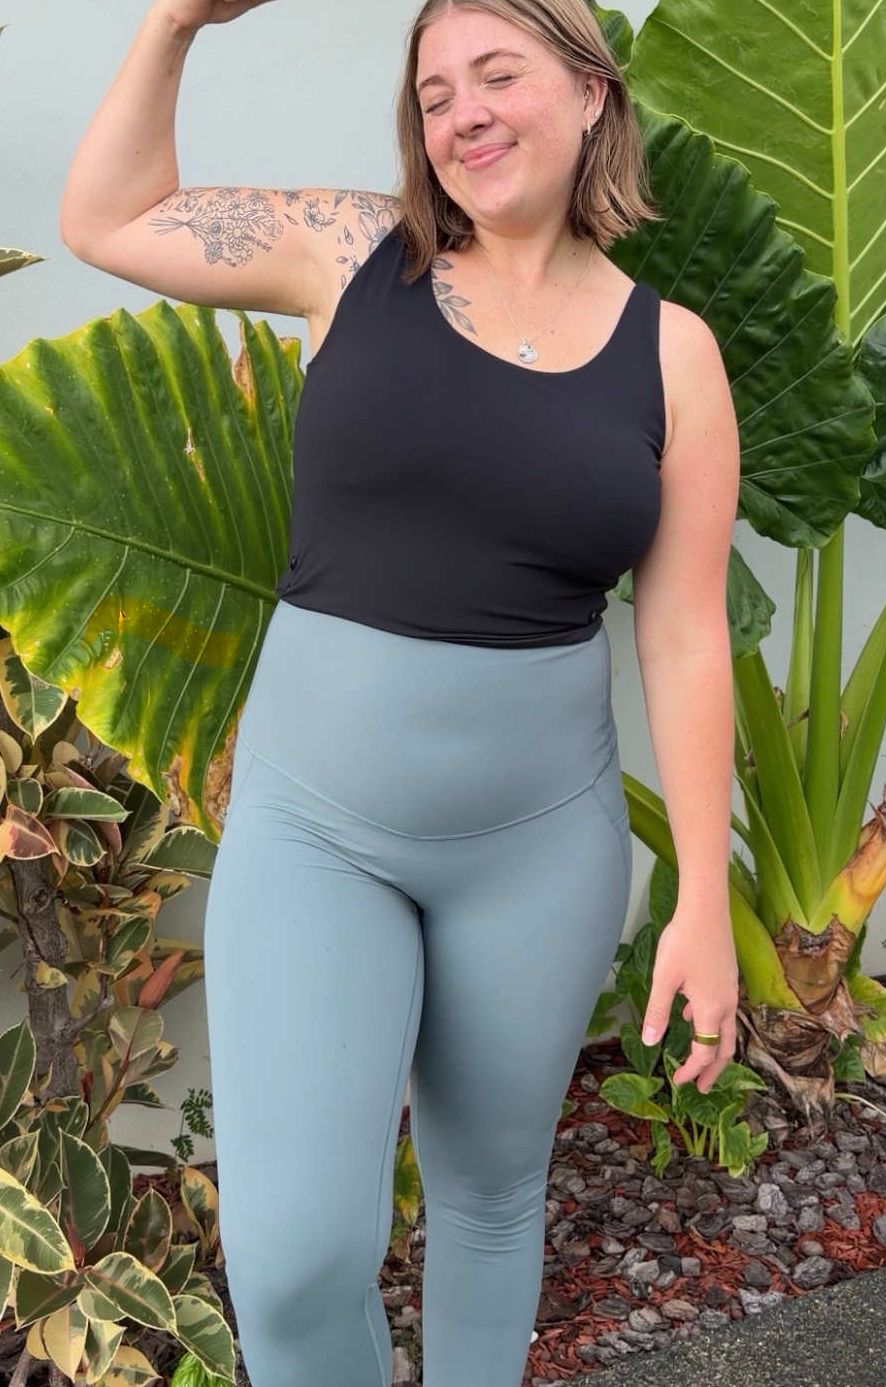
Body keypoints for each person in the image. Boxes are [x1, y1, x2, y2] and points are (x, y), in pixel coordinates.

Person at [60, 1, 741, 1383]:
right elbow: (107, 217)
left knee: (490, 1204)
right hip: (319, 834)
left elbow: (681, 636)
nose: (462, 113)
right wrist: (177, 23)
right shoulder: (357, 250)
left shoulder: (671, 356)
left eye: (498, 74)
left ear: (593, 93)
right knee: (296, 1251)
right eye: (434, 93)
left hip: (535, 850)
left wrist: (705, 909)